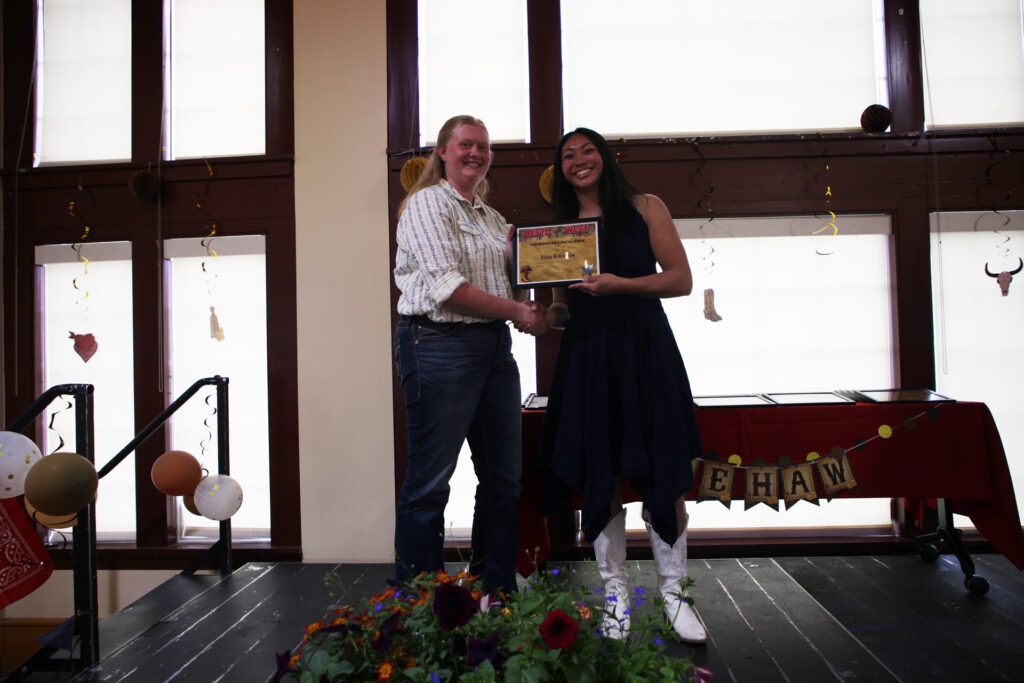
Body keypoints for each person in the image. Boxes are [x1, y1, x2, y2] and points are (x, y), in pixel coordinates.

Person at [537, 127, 706, 642]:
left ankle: (673, 591)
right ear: (560, 169)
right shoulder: (562, 227)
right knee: (599, 468)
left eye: (587, 150)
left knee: (663, 461)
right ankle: (614, 592)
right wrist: (548, 309)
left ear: (605, 158)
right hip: (588, 354)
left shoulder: (646, 205)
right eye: (568, 154)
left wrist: (620, 286)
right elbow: (563, 309)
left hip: (644, 347)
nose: (579, 160)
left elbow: (680, 279)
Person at [392, 115, 548, 597]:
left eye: (483, 146)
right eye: (466, 144)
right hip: (438, 344)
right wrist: (523, 313)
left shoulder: (493, 219)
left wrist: (525, 262)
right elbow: (449, 290)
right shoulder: (426, 205)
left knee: (504, 480)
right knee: (430, 484)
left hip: (492, 347)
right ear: (443, 151)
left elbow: (514, 284)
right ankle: (418, 603)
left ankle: (493, 590)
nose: (476, 152)